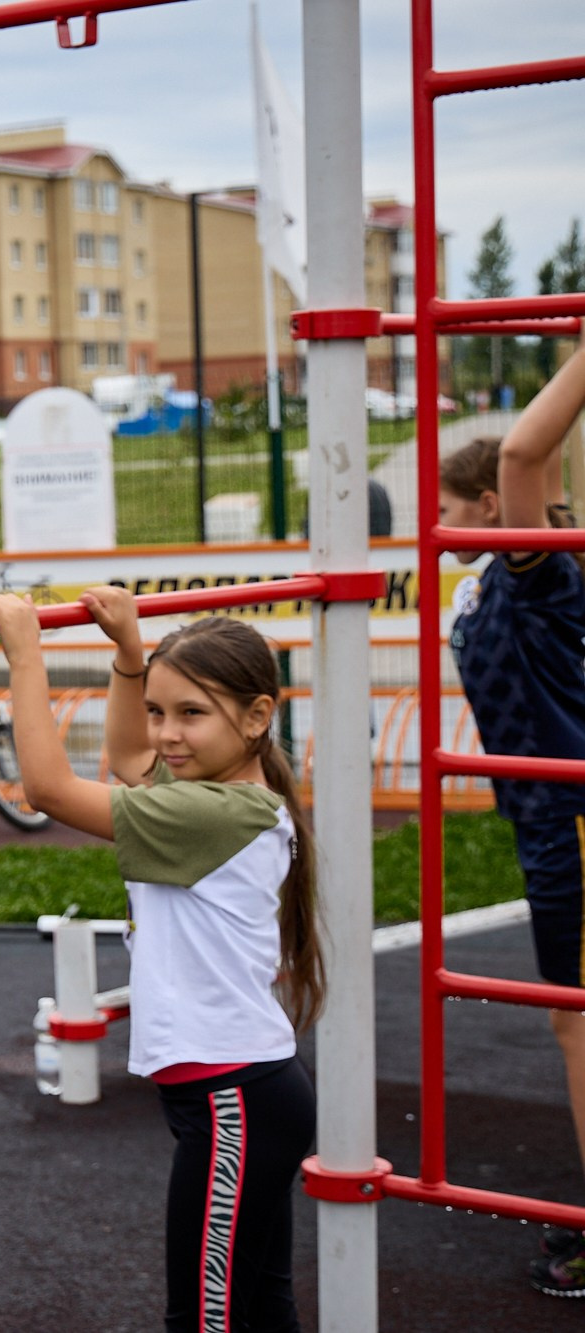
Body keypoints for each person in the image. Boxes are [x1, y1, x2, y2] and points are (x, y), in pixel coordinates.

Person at [0, 588, 322, 1333]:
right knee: (257, 1308)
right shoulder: (227, 792)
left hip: (232, 1097)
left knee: (204, 1319)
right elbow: (132, 758)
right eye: (162, 710)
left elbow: (47, 787)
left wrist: (26, 653)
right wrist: (131, 658)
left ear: (258, 716)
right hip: (240, 1091)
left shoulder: (214, 813)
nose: (168, 733)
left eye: (191, 713)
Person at [436, 344, 585, 1297]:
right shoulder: (504, 571)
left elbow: (532, 452)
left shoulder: (534, 567)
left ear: (492, 507)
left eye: (451, 513)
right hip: (549, 815)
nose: (440, 531)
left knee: (578, 1025)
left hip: (570, 818)